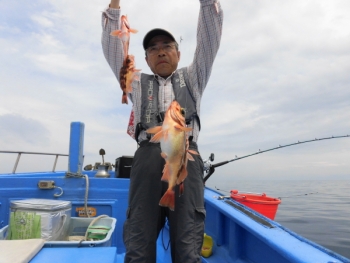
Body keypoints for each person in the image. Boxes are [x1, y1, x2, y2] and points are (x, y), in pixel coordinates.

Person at [101, 0, 223, 262]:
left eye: (167, 46)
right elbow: (114, 53)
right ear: (146, 59)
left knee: (188, 242)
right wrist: (114, 9)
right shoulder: (136, 83)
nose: (161, 52)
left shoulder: (193, 78)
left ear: (178, 54)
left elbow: (209, 41)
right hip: (146, 161)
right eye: (153, 49)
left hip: (184, 158)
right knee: (138, 240)